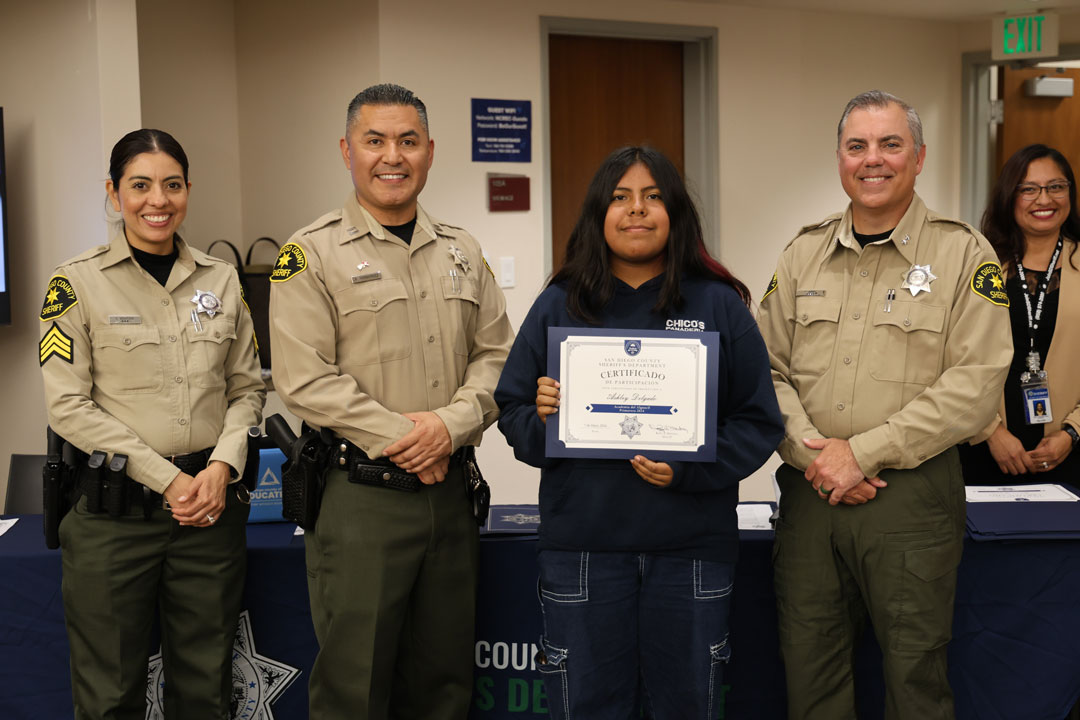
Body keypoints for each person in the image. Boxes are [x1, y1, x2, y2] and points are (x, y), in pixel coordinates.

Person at [494, 146, 784, 719]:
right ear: (598, 214)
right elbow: (513, 413)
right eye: (620, 198)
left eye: (653, 197)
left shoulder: (719, 305)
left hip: (691, 554)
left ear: (675, 212)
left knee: (687, 707)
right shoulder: (560, 304)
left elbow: (759, 421)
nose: (637, 210)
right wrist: (545, 420)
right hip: (583, 552)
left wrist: (689, 468)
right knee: (587, 708)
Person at [756, 91, 1013, 720]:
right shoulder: (801, 254)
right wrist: (816, 455)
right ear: (840, 159)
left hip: (912, 500)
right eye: (857, 146)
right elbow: (764, 370)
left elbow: (977, 384)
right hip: (810, 496)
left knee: (915, 683)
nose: (874, 159)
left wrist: (862, 454)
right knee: (811, 681)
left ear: (919, 156)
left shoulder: (963, 254)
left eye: (890, 144)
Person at [268, 83, 513, 720]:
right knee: (357, 689)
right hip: (361, 503)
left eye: (407, 141)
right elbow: (305, 380)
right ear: (346, 151)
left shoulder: (464, 250)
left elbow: (498, 356)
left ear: (430, 152)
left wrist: (449, 427)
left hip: (451, 497)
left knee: (445, 687)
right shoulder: (309, 254)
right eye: (374, 141)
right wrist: (411, 441)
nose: (391, 156)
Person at [39, 129, 265, 719]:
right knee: (110, 696)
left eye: (171, 185)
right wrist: (166, 479)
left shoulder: (222, 280)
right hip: (115, 519)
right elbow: (68, 406)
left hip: (209, 516)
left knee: (207, 691)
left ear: (188, 190)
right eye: (139, 186)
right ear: (114, 194)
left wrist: (223, 465)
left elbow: (247, 388)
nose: (156, 200)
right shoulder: (74, 284)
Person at [959, 144, 1080, 483]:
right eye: (1028, 189)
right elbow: (947, 359)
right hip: (981, 450)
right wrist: (990, 431)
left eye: (1056, 187)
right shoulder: (977, 265)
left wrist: (1072, 433)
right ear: (1009, 197)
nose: (1044, 199)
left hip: (1067, 456)